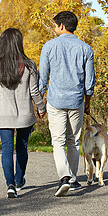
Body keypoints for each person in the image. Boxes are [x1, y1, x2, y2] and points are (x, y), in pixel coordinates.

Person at [38, 11, 95, 197]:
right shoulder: (86, 49)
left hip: (55, 101)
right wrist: (87, 102)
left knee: (58, 141)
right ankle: (72, 179)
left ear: (62, 26)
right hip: (76, 100)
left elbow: (43, 78)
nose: (54, 29)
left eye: (55, 25)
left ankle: (64, 178)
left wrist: (40, 101)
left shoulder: (48, 47)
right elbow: (89, 82)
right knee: (73, 141)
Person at [0, 28, 46, 198]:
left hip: (3, 114)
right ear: (18, 44)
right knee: (22, 148)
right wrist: (41, 108)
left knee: (7, 149)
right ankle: (19, 180)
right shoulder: (29, 65)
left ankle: (10, 185)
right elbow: (34, 91)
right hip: (24, 115)